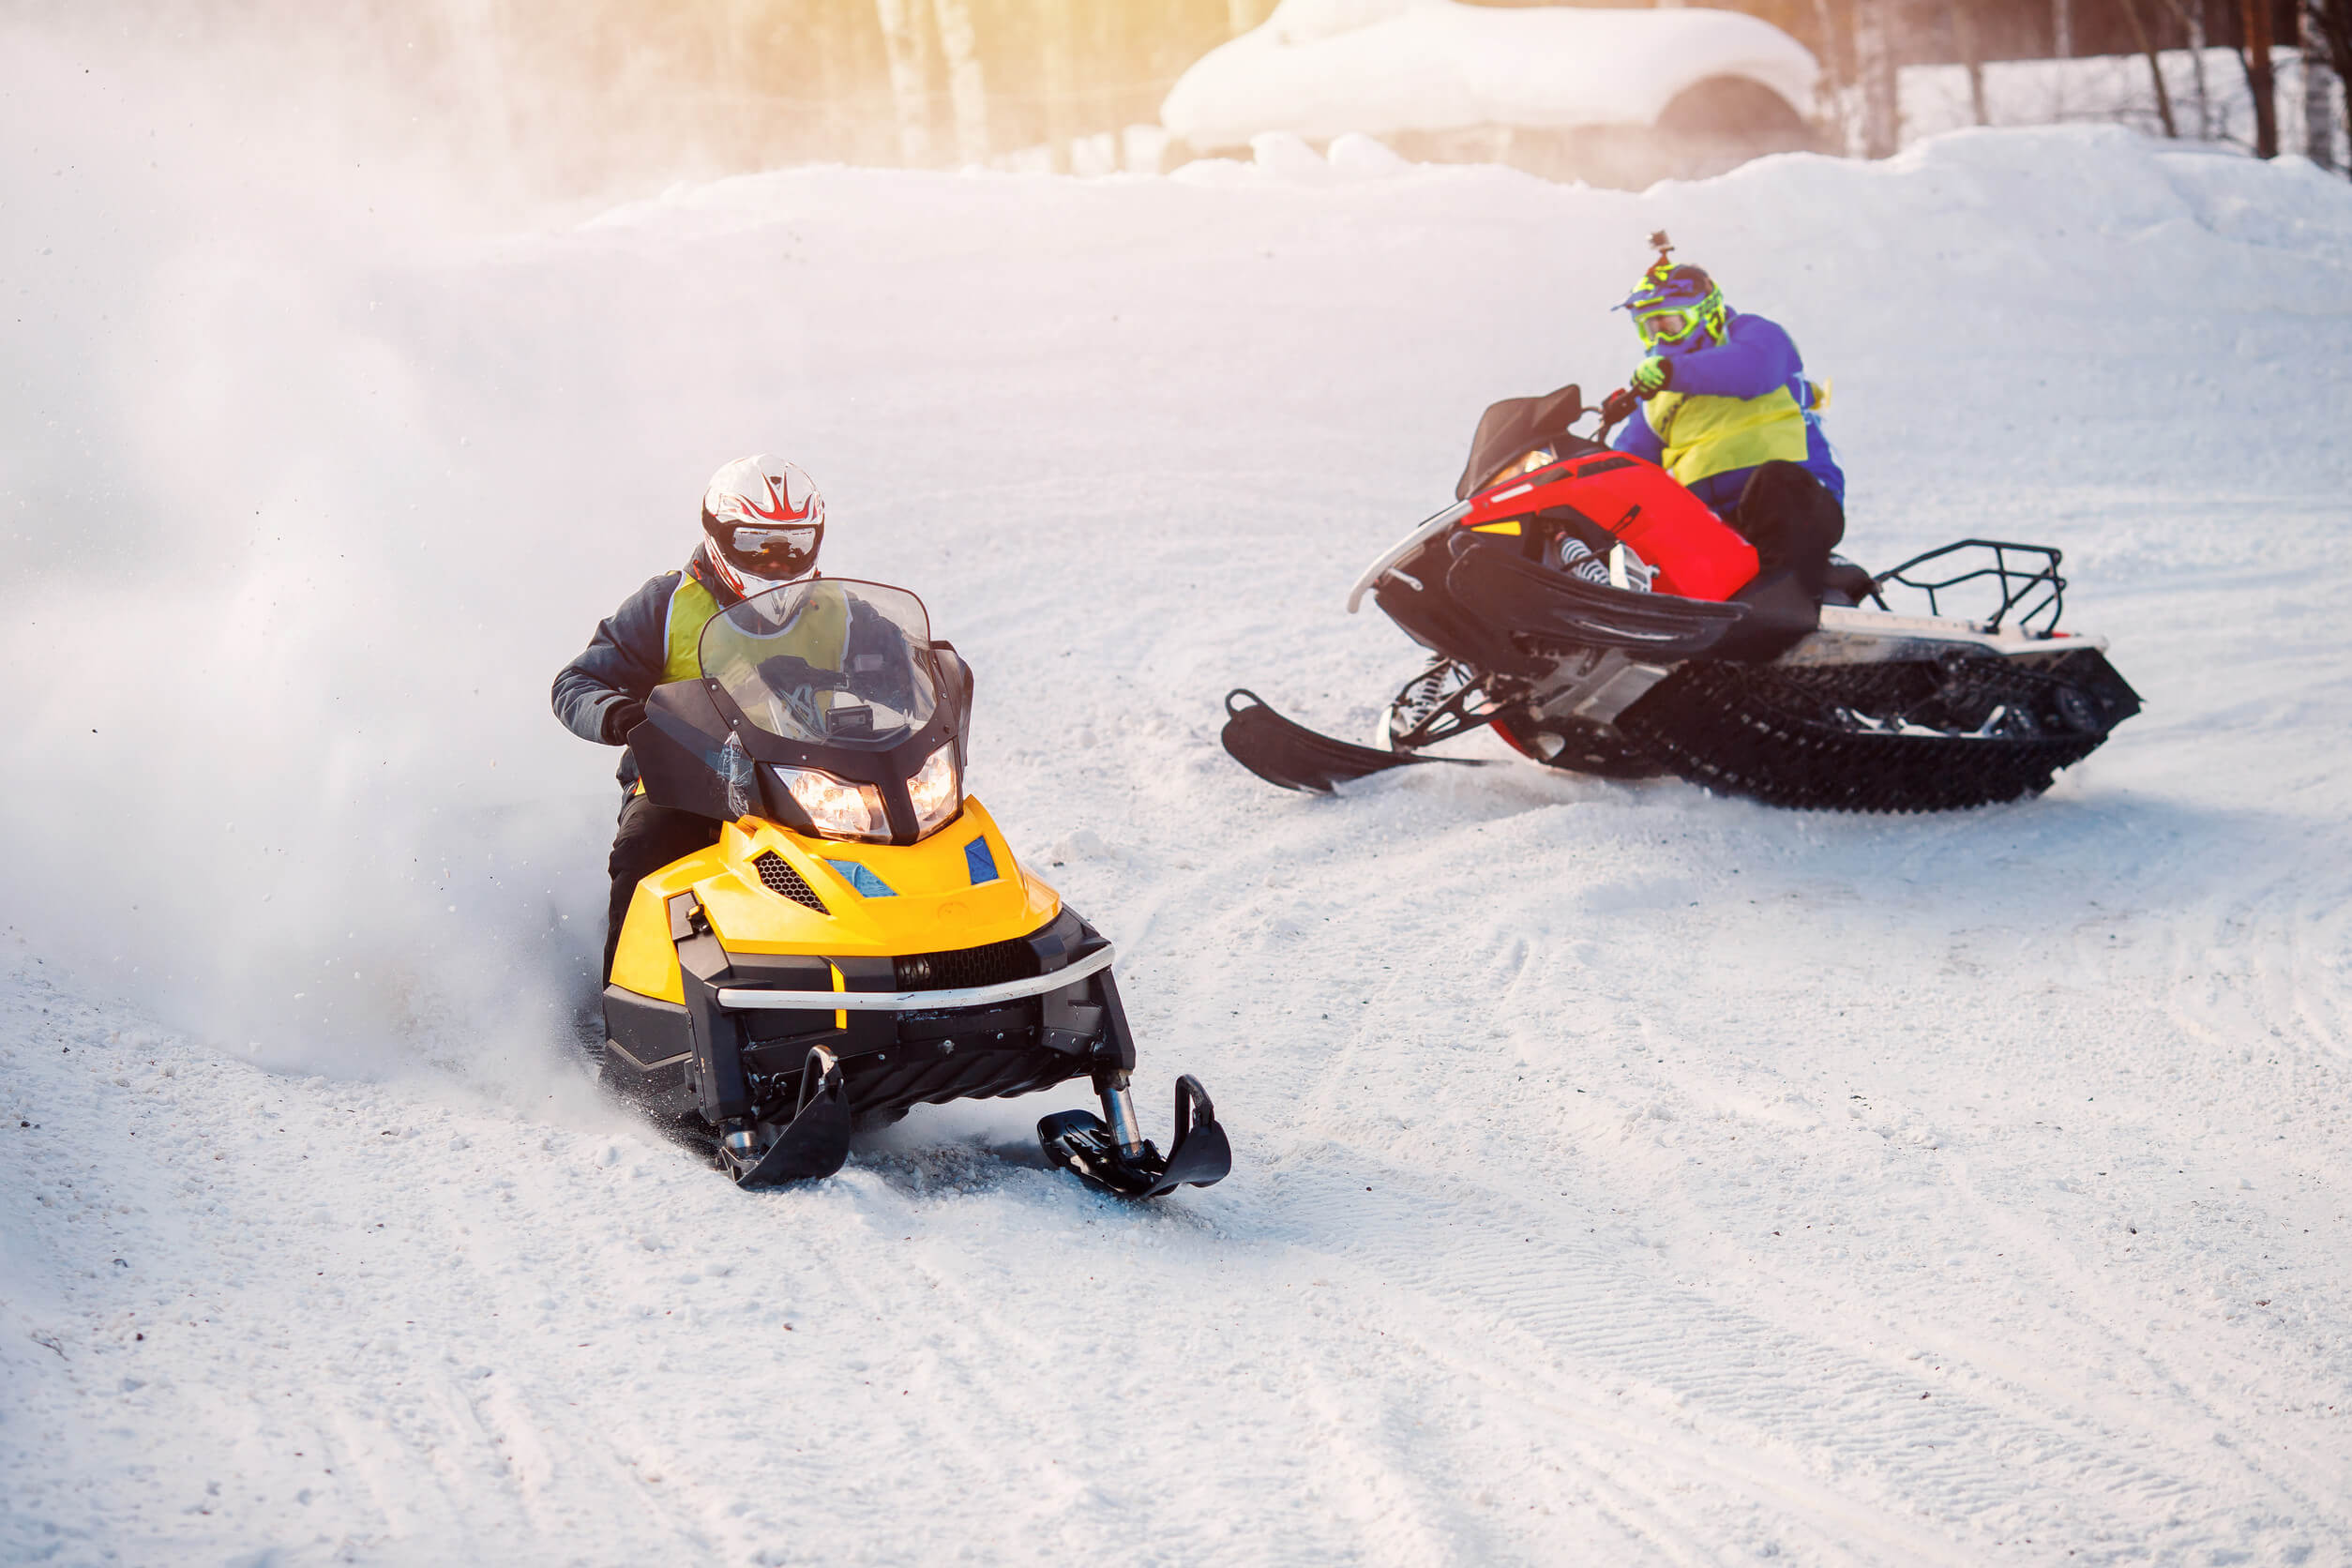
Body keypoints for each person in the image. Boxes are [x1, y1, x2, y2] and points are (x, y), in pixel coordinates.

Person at [552, 454, 826, 982]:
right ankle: (625, 1004)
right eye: (756, 544)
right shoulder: (668, 603)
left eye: (793, 545)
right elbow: (576, 682)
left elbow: (909, 664)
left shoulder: (839, 609)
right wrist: (617, 715)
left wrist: (934, 675)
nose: (775, 562)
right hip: (684, 780)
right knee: (643, 850)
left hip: (810, 782)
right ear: (718, 534)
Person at [1608, 236, 1847, 603]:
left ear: (1706, 311)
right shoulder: (1657, 397)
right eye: (1649, 327)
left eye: (1669, 323)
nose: (1659, 336)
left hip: (1797, 505)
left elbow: (1754, 370)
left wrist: (1672, 371)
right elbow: (1627, 465)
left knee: (1775, 483)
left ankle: (1785, 601)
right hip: (1719, 532)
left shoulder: (1754, 337)